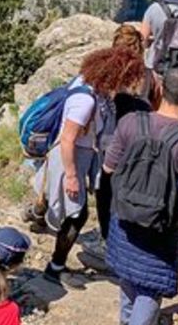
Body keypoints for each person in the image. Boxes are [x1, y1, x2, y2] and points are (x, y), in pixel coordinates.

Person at [103, 68, 178, 325]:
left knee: (128, 271)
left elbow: (108, 167)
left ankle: (127, 322)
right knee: (151, 283)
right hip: (160, 225)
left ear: (161, 90)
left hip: (124, 215)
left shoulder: (130, 123)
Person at [33, 46, 145, 283]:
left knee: (71, 210)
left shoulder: (86, 83)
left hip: (80, 156)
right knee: (76, 215)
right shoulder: (85, 100)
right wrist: (72, 176)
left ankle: (40, 217)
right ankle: (54, 268)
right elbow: (68, 139)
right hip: (70, 159)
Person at [95, 26, 154, 242]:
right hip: (140, 136)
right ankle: (128, 235)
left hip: (111, 137)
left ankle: (106, 235)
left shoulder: (108, 74)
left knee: (105, 187)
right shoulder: (147, 74)